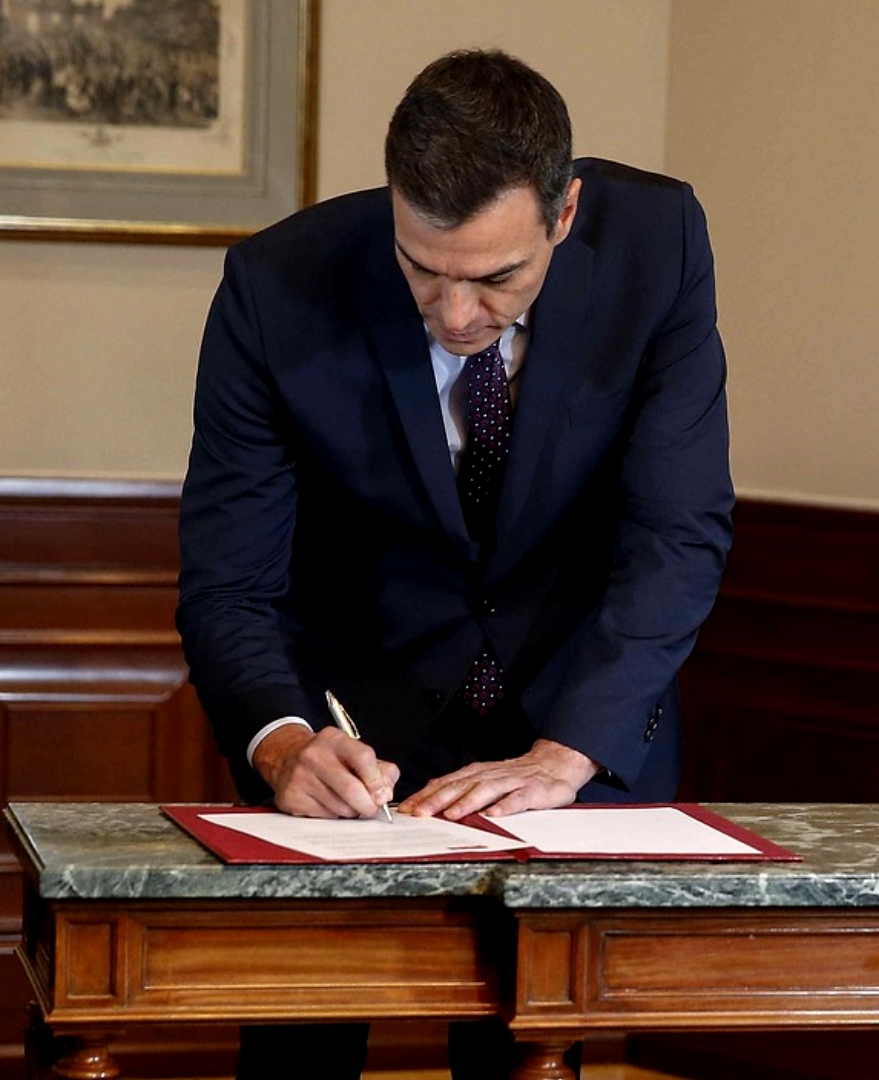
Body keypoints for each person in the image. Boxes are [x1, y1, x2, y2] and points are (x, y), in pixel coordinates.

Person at [174, 48, 732, 1079]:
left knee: (533, 1057)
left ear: (564, 215)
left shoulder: (658, 245)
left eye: (495, 279)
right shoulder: (276, 287)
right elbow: (229, 582)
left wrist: (571, 750)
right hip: (348, 731)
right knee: (299, 1058)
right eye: (423, 269)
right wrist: (283, 747)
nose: (456, 314)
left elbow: (677, 531)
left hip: (574, 715)